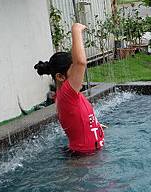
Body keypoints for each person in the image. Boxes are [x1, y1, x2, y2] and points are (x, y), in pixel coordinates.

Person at [34, 23, 105, 155]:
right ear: (60, 77)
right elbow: (81, 62)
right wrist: (76, 30)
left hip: (88, 155)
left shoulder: (69, 94)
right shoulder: (67, 94)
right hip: (84, 158)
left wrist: (94, 126)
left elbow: (76, 60)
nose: (80, 73)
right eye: (75, 71)